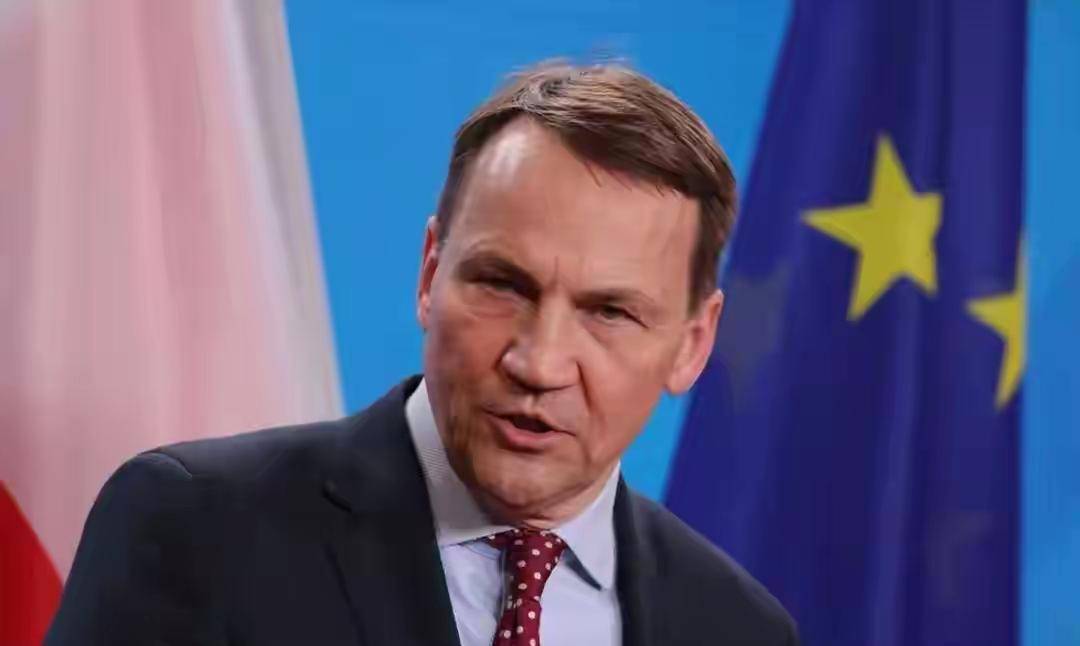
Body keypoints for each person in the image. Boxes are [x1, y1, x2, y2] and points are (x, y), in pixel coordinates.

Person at [46, 62, 798, 646]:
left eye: (609, 313)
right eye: (502, 284)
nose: (538, 364)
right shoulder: (198, 529)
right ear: (431, 273)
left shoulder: (738, 629)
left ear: (692, 345)